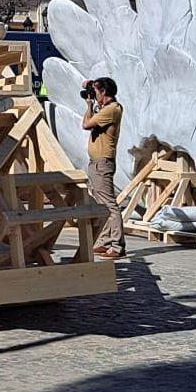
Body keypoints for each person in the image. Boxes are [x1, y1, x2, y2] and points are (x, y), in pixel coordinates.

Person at [81, 77, 125, 259]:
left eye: (97, 92)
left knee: (109, 205)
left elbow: (86, 124)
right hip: (97, 162)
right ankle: (105, 241)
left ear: (104, 92)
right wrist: (91, 91)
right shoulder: (105, 110)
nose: (95, 96)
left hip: (102, 163)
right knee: (102, 205)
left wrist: (89, 106)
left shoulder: (113, 109)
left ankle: (117, 245)